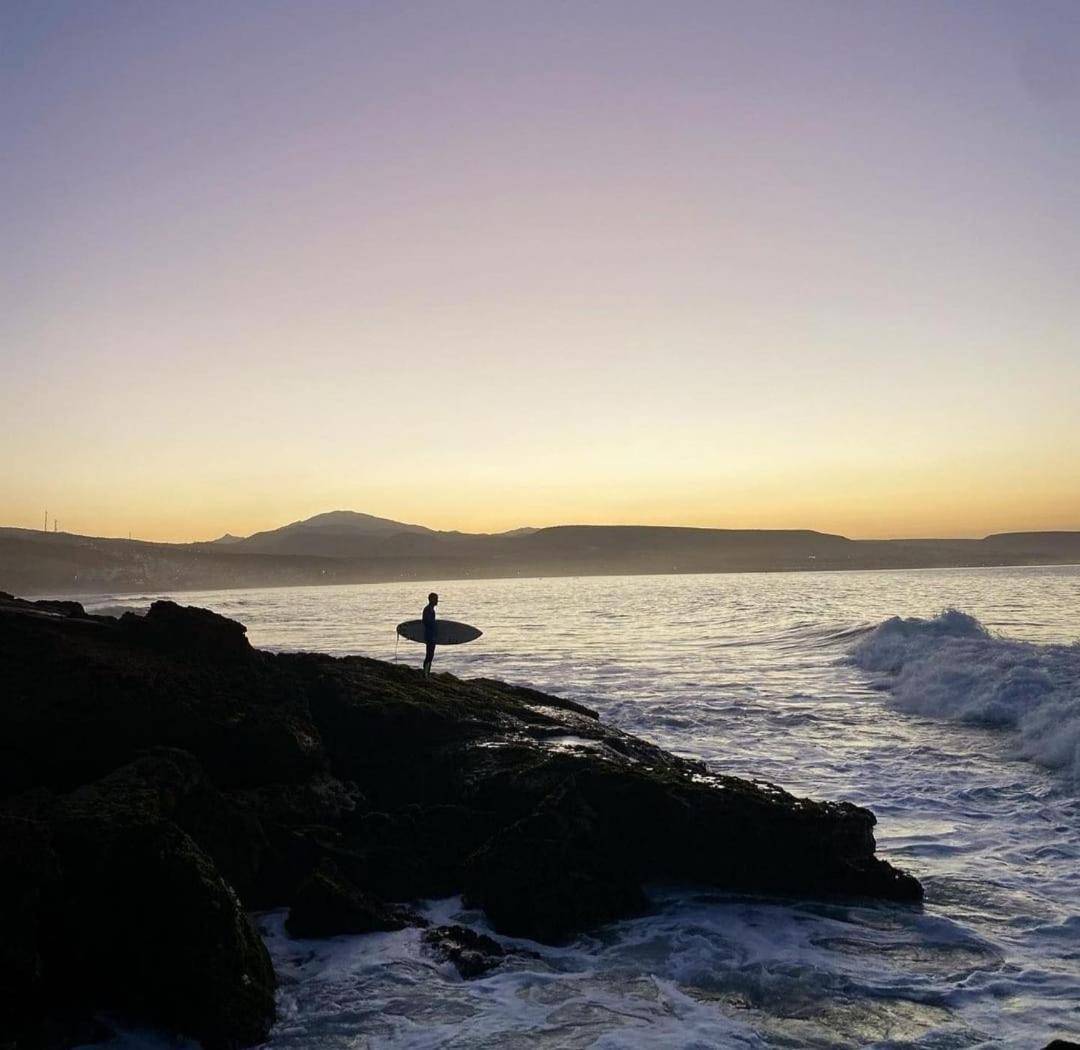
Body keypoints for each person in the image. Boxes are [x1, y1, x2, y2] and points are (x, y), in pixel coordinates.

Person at [422, 592, 438, 678]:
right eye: (436, 599)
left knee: (431, 655)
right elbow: (426, 622)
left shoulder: (432, 610)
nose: (437, 601)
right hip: (429, 636)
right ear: (431, 599)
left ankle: (427, 672)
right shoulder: (427, 610)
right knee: (429, 654)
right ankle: (425, 673)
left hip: (432, 635)